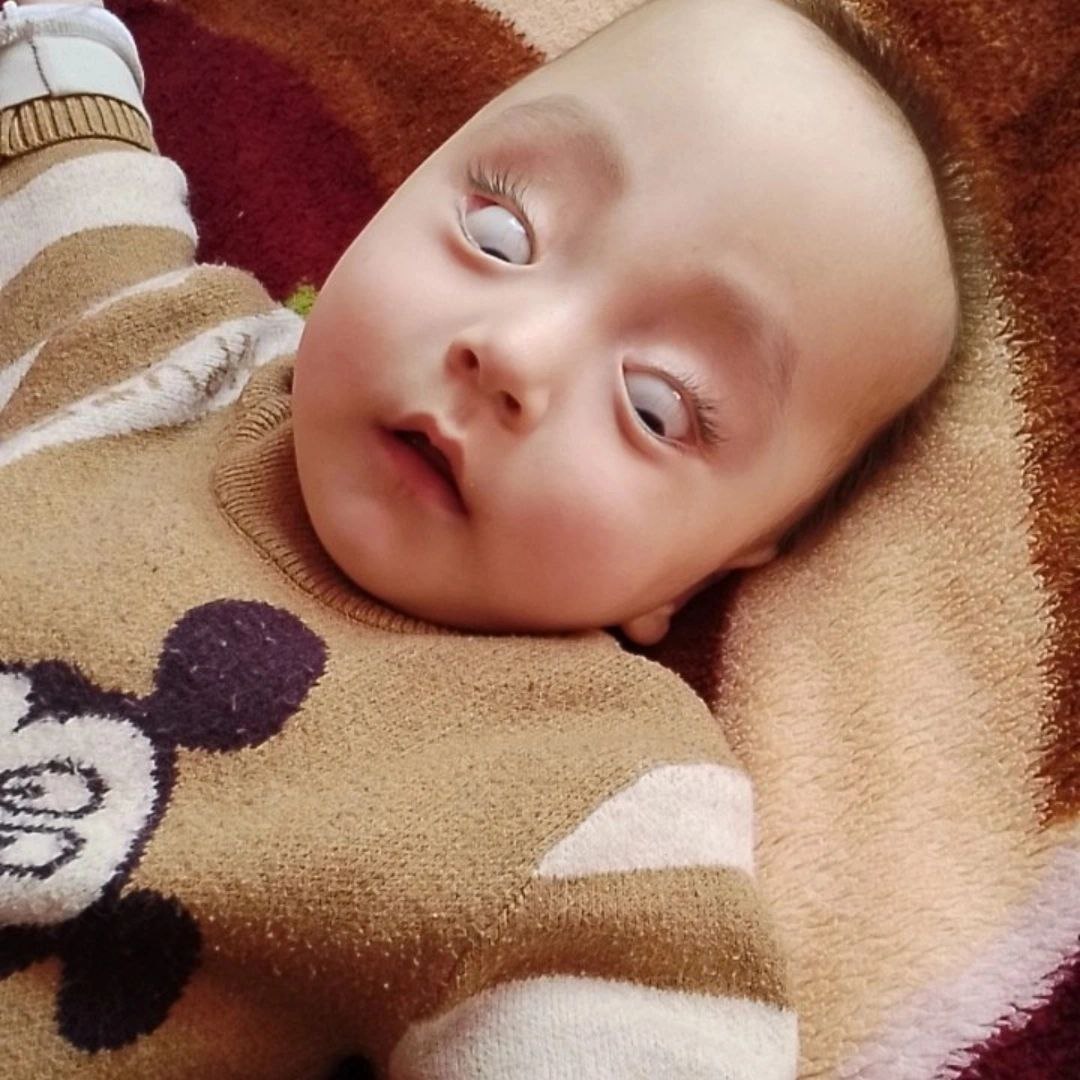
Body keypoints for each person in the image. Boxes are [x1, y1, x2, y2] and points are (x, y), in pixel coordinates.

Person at [0, 0, 960, 1074]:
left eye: (655, 406)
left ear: (697, 574)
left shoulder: (588, 791)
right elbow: (49, 104)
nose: (513, 353)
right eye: (500, 232)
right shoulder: (164, 348)